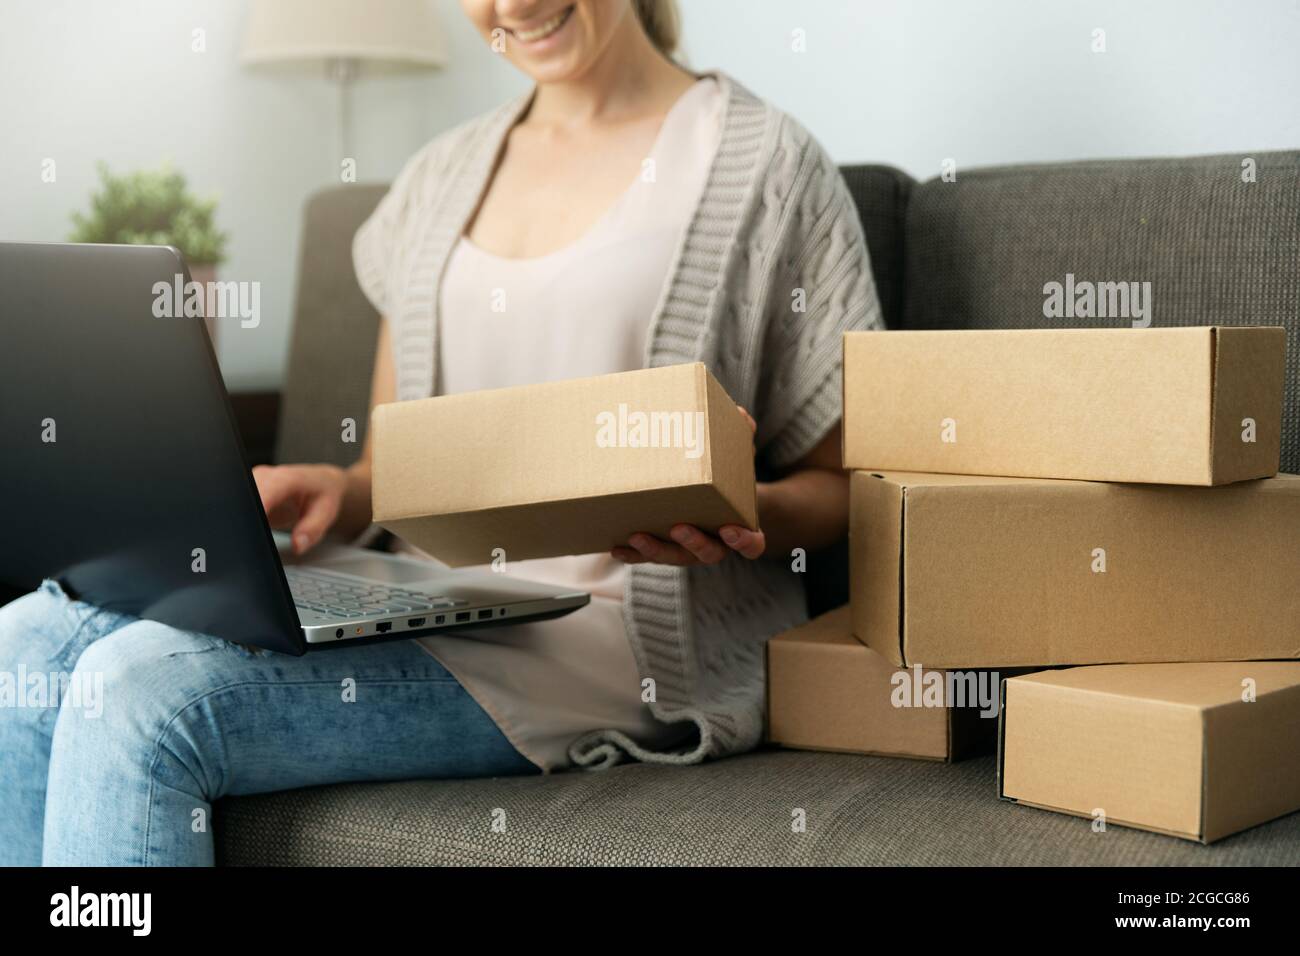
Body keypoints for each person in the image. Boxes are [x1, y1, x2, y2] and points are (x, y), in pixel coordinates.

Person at [0, 0, 881, 866]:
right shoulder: (439, 177)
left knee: (140, 693)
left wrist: (738, 509)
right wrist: (343, 493)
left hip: (621, 637)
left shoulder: (767, 164)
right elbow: (400, 463)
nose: (516, 5)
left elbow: (847, 488)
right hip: (433, 596)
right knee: (24, 643)